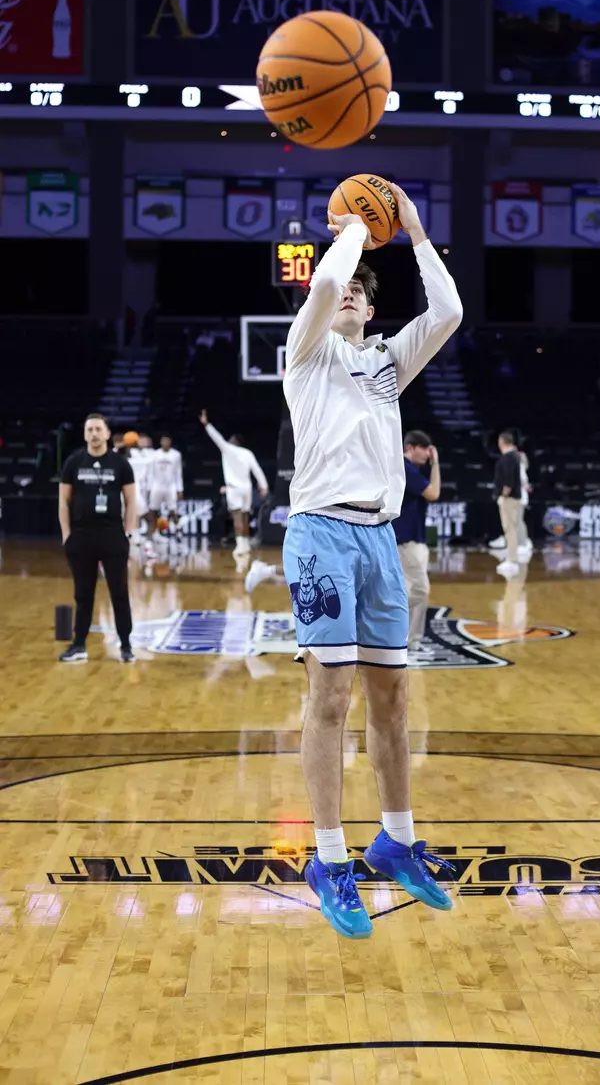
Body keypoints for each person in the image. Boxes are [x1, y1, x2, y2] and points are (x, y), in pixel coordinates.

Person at [282, 184, 462, 938]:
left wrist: (415, 232)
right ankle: (328, 857)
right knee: (332, 698)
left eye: (362, 290)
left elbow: (448, 314)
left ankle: (395, 839)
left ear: (374, 308)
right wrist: (353, 229)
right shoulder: (307, 350)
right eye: (346, 286)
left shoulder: (387, 362)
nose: (350, 292)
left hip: (381, 539)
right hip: (320, 532)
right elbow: (325, 280)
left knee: (392, 701)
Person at [57, 413, 136, 663]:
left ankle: (125, 645)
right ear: (84, 434)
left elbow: (131, 500)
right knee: (83, 594)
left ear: (107, 433)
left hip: (112, 536)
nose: (93, 433)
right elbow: (63, 500)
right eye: (89, 429)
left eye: (98, 429)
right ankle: (79, 645)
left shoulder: (121, 464)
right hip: (81, 538)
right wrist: (66, 535)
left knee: (119, 592)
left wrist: (129, 533)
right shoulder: (73, 462)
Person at [392, 430, 440, 652]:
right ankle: (379, 616)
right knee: (420, 590)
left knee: (415, 591)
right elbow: (433, 493)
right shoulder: (405, 468)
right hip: (404, 540)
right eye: (424, 448)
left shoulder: (411, 469)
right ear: (410, 448)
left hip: (414, 538)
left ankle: (413, 639)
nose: (428, 454)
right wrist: (436, 464)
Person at [198, 410, 269, 559]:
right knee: (244, 517)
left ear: (234, 441)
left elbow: (216, 438)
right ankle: (246, 544)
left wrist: (206, 424)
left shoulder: (228, 449)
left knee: (237, 517)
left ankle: (240, 546)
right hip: (247, 489)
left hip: (234, 489)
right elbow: (257, 470)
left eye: (231, 439)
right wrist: (264, 486)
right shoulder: (248, 453)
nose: (228, 441)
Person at [494, 431, 530, 577]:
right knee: (512, 528)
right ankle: (512, 558)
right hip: (514, 497)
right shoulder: (516, 456)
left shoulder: (509, 458)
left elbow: (508, 480)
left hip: (509, 499)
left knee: (510, 529)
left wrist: (503, 495)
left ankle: (512, 560)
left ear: (501, 442)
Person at [148, 434, 184, 533]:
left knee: (173, 510)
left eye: (167, 441)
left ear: (170, 442)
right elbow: (151, 472)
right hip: (157, 485)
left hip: (170, 486)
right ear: (161, 442)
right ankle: (154, 531)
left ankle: (178, 529)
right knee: (153, 510)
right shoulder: (155, 454)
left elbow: (178, 472)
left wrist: (180, 489)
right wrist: (149, 488)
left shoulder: (176, 455)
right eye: (163, 441)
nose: (165, 443)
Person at [128, 432, 154, 544]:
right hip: (136, 486)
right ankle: (135, 534)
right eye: (140, 440)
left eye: (145, 440)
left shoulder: (152, 453)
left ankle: (151, 537)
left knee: (150, 514)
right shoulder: (131, 453)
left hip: (150, 486)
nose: (142, 442)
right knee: (138, 513)